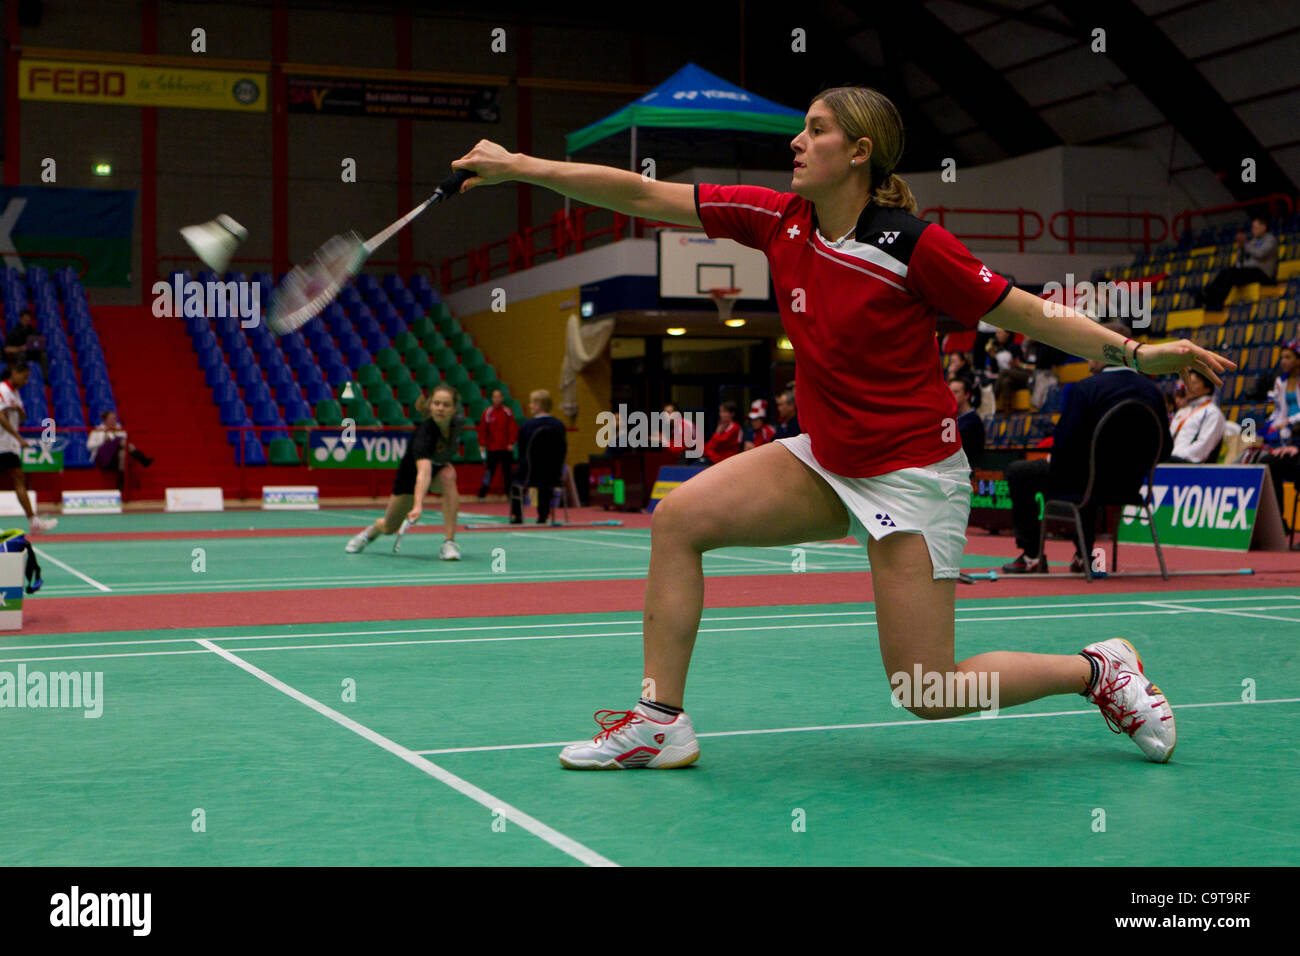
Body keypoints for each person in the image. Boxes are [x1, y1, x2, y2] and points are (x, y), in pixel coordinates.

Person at [451, 85, 1229, 770]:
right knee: (680, 518)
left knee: (925, 688)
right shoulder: (778, 220)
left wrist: (1135, 352)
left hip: (913, 476)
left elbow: (1028, 311)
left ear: (858, 153)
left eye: (816, 129)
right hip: (826, 460)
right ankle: (660, 723)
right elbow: (647, 197)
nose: (796, 141)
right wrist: (523, 166)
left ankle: (1100, 670)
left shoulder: (914, 247)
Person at [1002, 321, 1173, 575]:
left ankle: (1032, 555)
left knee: (1020, 472)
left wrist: (1055, 461)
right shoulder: (1153, 392)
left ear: (1105, 350)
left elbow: (1065, 449)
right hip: (1130, 487)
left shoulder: (1085, 389)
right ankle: (1084, 557)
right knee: (1086, 472)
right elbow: (1166, 449)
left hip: (1086, 486)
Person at [345, 384, 463, 560]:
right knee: (389, 527)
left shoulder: (457, 424)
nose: (440, 408)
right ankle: (370, 533)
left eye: (446, 405)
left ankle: (449, 542)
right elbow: (423, 473)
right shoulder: (424, 433)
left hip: (438, 471)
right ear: (430, 405)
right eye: (437, 403)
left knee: (448, 475)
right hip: (410, 478)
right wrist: (418, 504)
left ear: (454, 409)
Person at [0, 362, 56, 532]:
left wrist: (18, 410)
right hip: (2, 443)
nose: (26, 381)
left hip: (8, 446)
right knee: (19, 479)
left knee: (19, 479)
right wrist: (18, 437)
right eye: (24, 377)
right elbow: (0, 416)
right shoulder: (3, 389)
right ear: (15, 372)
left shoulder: (15, 394)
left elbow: (22, 418)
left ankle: (34, 521)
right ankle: (33, 520)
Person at [510, 389, 567, 524]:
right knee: (545, 481)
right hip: (554, 474)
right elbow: (563, 450)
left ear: (539, 405)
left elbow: (522, 451)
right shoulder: (559, 425)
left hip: (530, 473)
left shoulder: (527, 426)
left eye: (531, 403)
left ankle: (517, 515)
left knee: (516, 477)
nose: (529, 405)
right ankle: (543, 515)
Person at [1200, 216, 1278, 310]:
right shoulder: (1253, 241)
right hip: (1250, 271)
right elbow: (1242, 260)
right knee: (1226, 271)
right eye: (1252, 227)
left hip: (1263, 274)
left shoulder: (1270, 240)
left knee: (1231, 274)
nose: (1253, 230)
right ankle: (1208, 296)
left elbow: (1260, 253)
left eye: (1255, 227)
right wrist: (1241, 247)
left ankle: (1216, 302)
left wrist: (1245, 244)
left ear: (1264, 227)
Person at [86, 410, 154, 491]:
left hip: (116, 458)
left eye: (114, 419)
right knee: (120, 441)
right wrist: (102, 440)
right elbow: (89, 446)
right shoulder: (97, 431)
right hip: (104, 458)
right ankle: (141, 457)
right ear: (105, 420)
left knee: (123, 453)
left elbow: (127, 445)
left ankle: (120, 485)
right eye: (111, 419)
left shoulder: (120, 429)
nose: (113, 421)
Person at [1168, 368, 1226, 463]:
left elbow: (1204, 446)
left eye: (1193, 383)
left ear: (1207, 388)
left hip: (1188, 464)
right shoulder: (1182, 411)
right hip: (1170, 459)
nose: (1188, 386)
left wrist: (1176, 457)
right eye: (1187, 382)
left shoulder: (1213, 413)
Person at [476, 388, 518, 499]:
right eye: (494, 396)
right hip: (492, 448)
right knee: (489, 472)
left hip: (505, 448)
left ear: (502, 398)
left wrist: (511, 442)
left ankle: (509, 494)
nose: (497, 399)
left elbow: (512, 428)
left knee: (508, 473)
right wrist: (482, 444)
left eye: (499, 396)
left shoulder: (507, 412)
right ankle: (482, 494)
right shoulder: (487, 413)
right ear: (492, 398)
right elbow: (483, 430)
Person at [1266, 338, 1300, 443]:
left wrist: (1289, 422)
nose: (1283, 361)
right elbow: (1278, 410)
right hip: (1284, 422)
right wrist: (1271, 423)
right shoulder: (1280, 382)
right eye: (1281, 358)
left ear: (1298, 360)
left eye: (1288, 357)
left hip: (1296, 425)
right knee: (1250, 427)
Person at [948, 377, 984, 466]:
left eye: (955, 392)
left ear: (967, 395)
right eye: (949, 392)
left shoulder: (973, 421)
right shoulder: (949, 419)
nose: (951, 395)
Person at [4, 310, 48, 380]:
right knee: (21, 355)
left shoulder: (32, 330)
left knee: (43, 355)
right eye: (25, 319)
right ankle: (20, 378)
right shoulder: (14, 331)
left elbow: (38, 342)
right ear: (21, 319)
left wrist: (37, 346)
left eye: (28, 319)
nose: (27, 321)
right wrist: (20, 348)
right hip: (19, 353)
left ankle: (44, 379)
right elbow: (7, 348)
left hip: (32, 352)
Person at [703, 401, 742, 465]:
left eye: (724, 412)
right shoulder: (722, 426)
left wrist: (717, 433)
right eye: (720, 412)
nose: (721, 415)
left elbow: (721, 442)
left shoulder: (735, 428)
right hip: (715, 459)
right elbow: (710, 446)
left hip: (726, 462)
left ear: (732, 414)